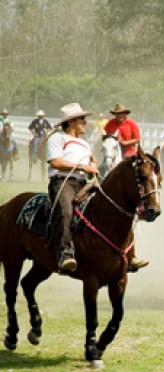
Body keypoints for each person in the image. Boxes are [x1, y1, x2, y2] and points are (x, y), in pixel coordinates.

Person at [46, 104, 100, 272]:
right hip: (63, 182)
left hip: (84, 184)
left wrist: (92, 167)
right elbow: (55, 161)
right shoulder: (57, 138)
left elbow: (88, 168)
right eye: (81, 119)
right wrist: (83, 167)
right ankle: (65, 255)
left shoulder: (84, 143)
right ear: (70, 122)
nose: (85, 122)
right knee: (66, 211)